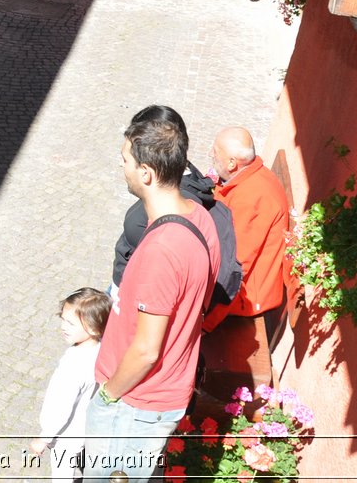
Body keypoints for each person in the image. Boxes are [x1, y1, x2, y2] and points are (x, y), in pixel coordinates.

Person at [84, 106, 220, 483]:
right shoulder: (200, 217)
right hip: (160, 396)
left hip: (134, 404)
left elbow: (146, 350)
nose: (122, 167)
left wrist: (107, 395)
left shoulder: (161, 250)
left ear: (146, 172)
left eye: (125, 160)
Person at [111, 161, 242, 314]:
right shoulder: (190, 200)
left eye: (127, 159)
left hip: (132, 299)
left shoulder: (168, 229)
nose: (121, 164)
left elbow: (153, 316)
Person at [202, 126, 291, 332]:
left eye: (215, 152)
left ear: (232, 163)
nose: (210, 155)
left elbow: (235, 268)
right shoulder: (248, 177)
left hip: (246, 299)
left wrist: (205, 325)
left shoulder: (253, 200)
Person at [31, 287, 111, 482]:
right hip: (85, 428)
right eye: (63, 320)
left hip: (66, 435)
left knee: (62, 474)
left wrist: (44, 438)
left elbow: (62, 406)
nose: (63, 327)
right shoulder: (99, 349)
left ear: (93, 328)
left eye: (71, 323)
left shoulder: (73, 365)